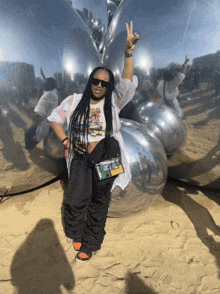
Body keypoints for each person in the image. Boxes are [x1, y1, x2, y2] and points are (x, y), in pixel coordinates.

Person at [47, 21, 140, 261]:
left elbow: (128, 81)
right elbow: (54, 119)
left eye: (105, 83)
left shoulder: (113, 102)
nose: (99, 86)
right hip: (80, 155)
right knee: (76, 198)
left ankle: (91, 243)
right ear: (90, 81)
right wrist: (67, 142)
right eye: (96, 81)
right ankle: (76, 232)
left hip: (108, 155)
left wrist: (128, 52)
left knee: (100, 200)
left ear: (109, 87)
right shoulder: (75, 100)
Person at [34, 77, 58, 142]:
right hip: (54, 123)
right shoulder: (55, 93)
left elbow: (38, 116)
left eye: (45, 84)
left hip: (46, 125)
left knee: (44, 140)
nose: (43, 85)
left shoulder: (48, 96)